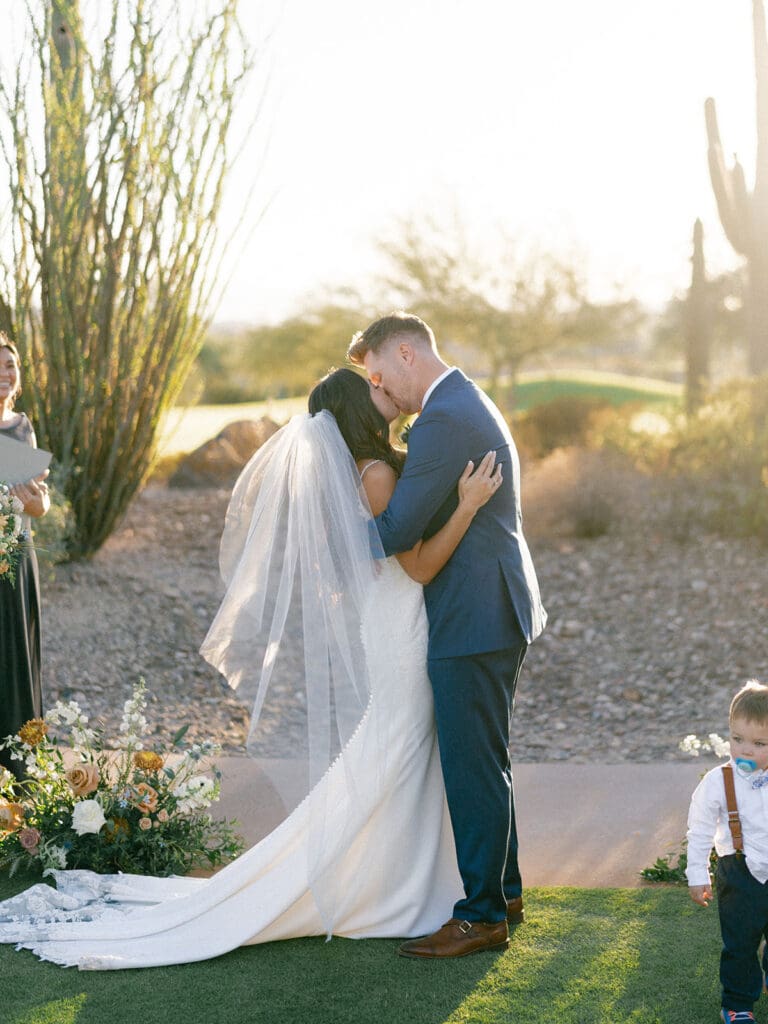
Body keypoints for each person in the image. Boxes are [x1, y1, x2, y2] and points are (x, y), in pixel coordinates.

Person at [0, 366, 502, 969]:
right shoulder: (374, 477)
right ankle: (384, 884)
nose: (384, 388)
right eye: (372, 388)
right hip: (402, 630)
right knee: (396, 746)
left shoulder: (366, 470)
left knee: (397, 749)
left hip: (394, 625)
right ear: (356, 409)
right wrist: (468, 506)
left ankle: (405, 877)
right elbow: (417, 568)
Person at [347, 311, 546, 959]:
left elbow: (399, 530)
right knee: (486, 760)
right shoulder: (459, 402)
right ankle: (505, 891)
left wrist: (330, 541)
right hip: (486, 608)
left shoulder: (444, 417)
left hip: (474, 614)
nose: (384, 390)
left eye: (379, 373)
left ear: (406, 353)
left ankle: (482, 915)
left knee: (471, 767)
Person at [686, 680, 768, 1024]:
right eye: (737, 739)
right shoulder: (718, 781)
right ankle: (737, 1004)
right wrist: (697, 875)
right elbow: (700, 829)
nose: (745, 750)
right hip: (738, 874)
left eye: (759, 743)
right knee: (740, 944)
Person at [0, 334, 50, 780]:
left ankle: (20, 769)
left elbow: (41, 497)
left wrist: (38, 506)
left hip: (17, 556)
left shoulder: (22, 425)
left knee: (16, 650)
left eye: (10, 365)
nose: (5, 374)